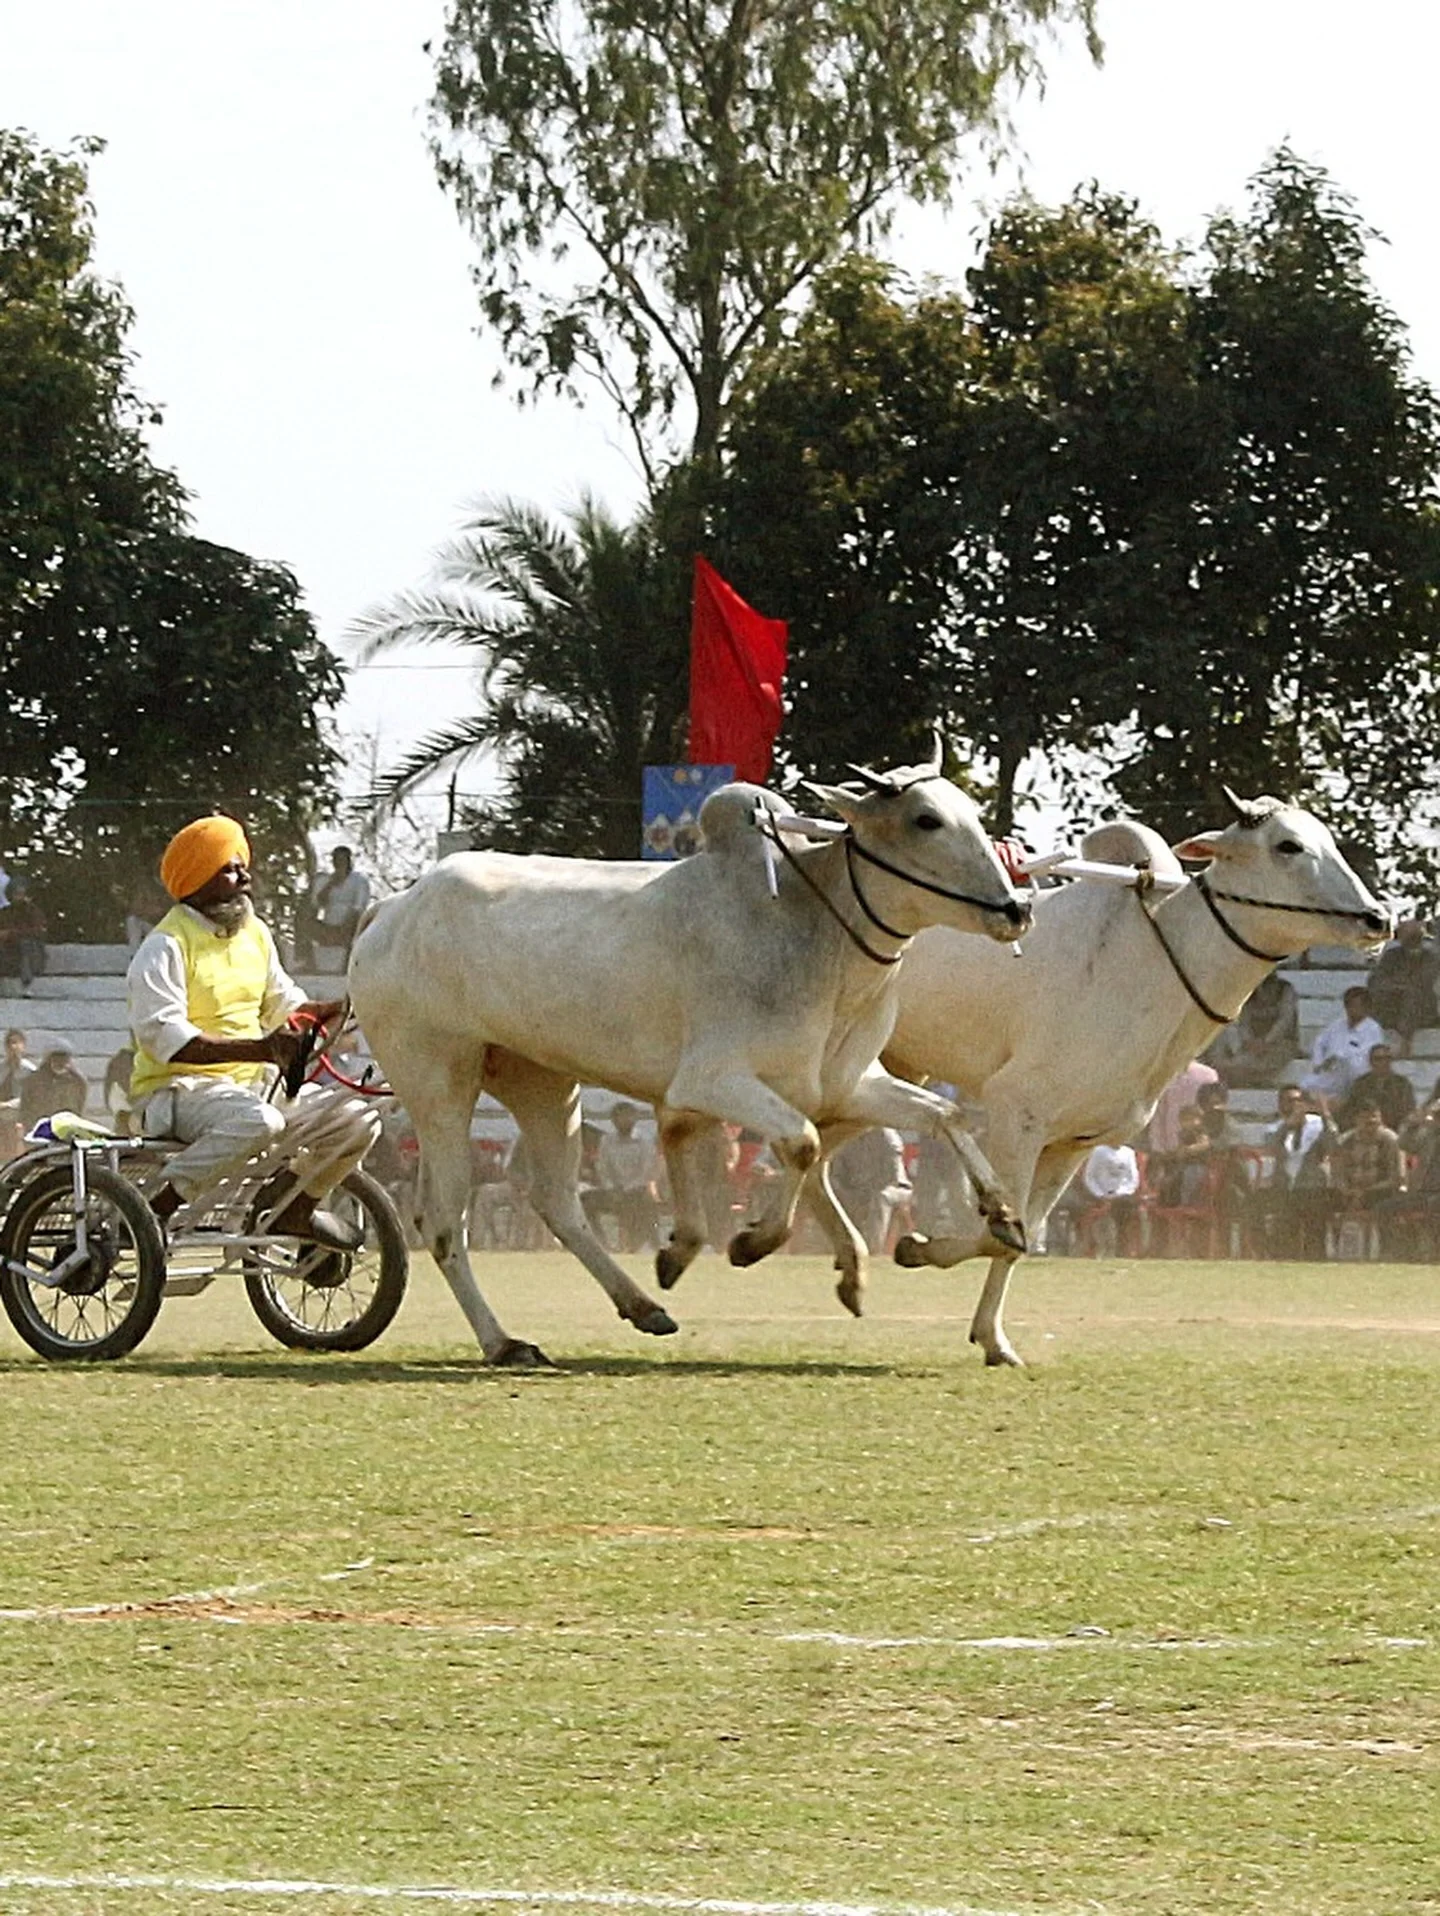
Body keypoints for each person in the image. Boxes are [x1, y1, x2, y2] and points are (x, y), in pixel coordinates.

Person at [126, 814, 381, 1246]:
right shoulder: (164, 946)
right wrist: (264, 1050)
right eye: (229, 868)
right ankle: (155, 1208)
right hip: (178, 1091)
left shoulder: (256, 935)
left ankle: (291, 1208)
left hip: (248, 1088)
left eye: (242, 864)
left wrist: (347, 1008)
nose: (243, 874)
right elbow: (169, 1042)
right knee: (260, 1121)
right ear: (197, 880)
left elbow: (290, 1008)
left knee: (358, 1119)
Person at [582, 1102, 661, 1251]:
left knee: (647, 1202)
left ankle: (652, 1245)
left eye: (628, 1117)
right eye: (619, 1117)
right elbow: (603, 1168)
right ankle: (602, 1244)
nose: (624, 1121)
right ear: (613, 1120)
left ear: (635, 1119)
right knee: (585, 1201)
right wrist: (611, 1187)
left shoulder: (644, 1141)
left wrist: (627, 1189)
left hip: (637, 1191)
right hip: (613, 1191)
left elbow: (646, 1172)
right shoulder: (607, 1141)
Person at [1205, 970, 1301, 1088]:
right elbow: (1244, 1021)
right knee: (1225, 1049)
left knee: (1246, 1063)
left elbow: (1285, 1020)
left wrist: (1267, 1041)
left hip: (1280, 1044)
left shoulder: (1286, 990)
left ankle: (1239, 1075)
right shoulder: (1250, 993)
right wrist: (1249, 1040)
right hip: (1252, 1045)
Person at [1331, 1102, 1405, 1255]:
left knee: (1385, 1205)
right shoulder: (1346, 1141)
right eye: (1365, 1118)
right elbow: (1337, 1173)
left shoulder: (1390, 1140)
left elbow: (1397, 1177)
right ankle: (1334, 1251)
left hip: (1381, 1190)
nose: (1371, 1121)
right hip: (1350, 1191)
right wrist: (1348, 1191)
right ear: (1356, 1120)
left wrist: (1364, 1192)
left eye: (1374, 1117)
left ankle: (1384, 1253)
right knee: (1321, 1202)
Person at [830, 1126, 913, 1254]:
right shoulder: (845, 1138)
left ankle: (872, 1252)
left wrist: (863, 1192)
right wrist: (843, 1192)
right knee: (831, 1197)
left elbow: (890, 1175)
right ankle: (837, 1250)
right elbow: (836, 1174)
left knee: (879, 1198)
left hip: (895, 1188)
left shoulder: (887, 1137)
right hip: (856, 1189)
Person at [1366, 919, 1440, 1056]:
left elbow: (1422, 981)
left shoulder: (1430, 958)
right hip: (1392, 1005)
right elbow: (1376, 980)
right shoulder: (1391, 956)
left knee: (1413, 995)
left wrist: (1396, 983)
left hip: (1421, 1009)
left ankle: (1406, 1041)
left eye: (1412, 934)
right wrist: (1399, 985)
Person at [1302, 986, 1386, 1102]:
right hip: (1331, 1072)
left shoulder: (1373, 1029)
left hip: (1357, 1075)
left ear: (1366, 1007)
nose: (1353, 1009)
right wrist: (1319, 1062)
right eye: (1350, 1006)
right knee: (1306, 1084)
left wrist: (1338, 1058)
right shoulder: (1337, 1025)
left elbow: (1366, 1057)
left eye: (1357, 1006)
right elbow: (1319, 1042)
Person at [1073, 1142, 1141, 1255]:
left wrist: (1120, 1193)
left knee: (1126, 1210)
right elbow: (1090, 1176)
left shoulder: (1129, 1153)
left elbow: (1132, 1179)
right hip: (1098, 1195)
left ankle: (1122, 1247)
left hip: (1122, 1197)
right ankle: (1092, 1246)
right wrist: (1100, 1194)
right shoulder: (1098, 1151)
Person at [1335, 1042, 1416, 1134]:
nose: (1383, 1062)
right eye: (1378, 1059)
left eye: (1387, 1058)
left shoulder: (1402, 1084)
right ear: (1371, 1062)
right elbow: (1350, 1110)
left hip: (1393, 1131)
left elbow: (1408, 1111)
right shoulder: (1361, 1084)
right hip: (1363, 1130)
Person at [310, 847, 371, 966]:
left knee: (358, 921)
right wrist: (331, 884)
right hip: (328, 925)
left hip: (350, 925)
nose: (340, 863)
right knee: (305, 920)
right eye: (337, 860)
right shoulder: (324, 880)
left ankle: (348, 961)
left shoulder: (359, 880)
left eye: (343, 860)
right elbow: (317, 903)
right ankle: (306, 961)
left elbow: (359, 907)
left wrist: (345, 925)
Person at [1145, 1058, 1220, 1155]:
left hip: (1194, 1149)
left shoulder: (1208, 1075)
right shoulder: (1159, 1072)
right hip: (1159, 1145)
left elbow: (1214, 1115)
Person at [19, 1045, 88, 1128]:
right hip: (39, 1126)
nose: (59, 1063)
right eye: (56, 1060)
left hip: (66, 1126)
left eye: (63, 1060)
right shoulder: (35, 1080)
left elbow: (80, 1106)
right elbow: (25, 1105)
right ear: (49, 1061)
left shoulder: (78, 1081)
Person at [0, 876, 47, 989]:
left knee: (26, 944)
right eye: (16, 893)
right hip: (9, 954)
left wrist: (11, 934)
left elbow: (38, 932)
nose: (19, 897)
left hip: (30, 955)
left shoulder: (34, 912)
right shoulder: (5, 913)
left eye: (22, 893)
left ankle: (26, 984)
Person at [0, 1027, 37, 1162]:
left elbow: (33, 1097)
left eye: (17, 1043)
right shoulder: (1, 1069)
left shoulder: (30, 1071)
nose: (13, 1047)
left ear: (23, 1046)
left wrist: (8, 1105)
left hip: (21, 1116)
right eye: (10, 1043)